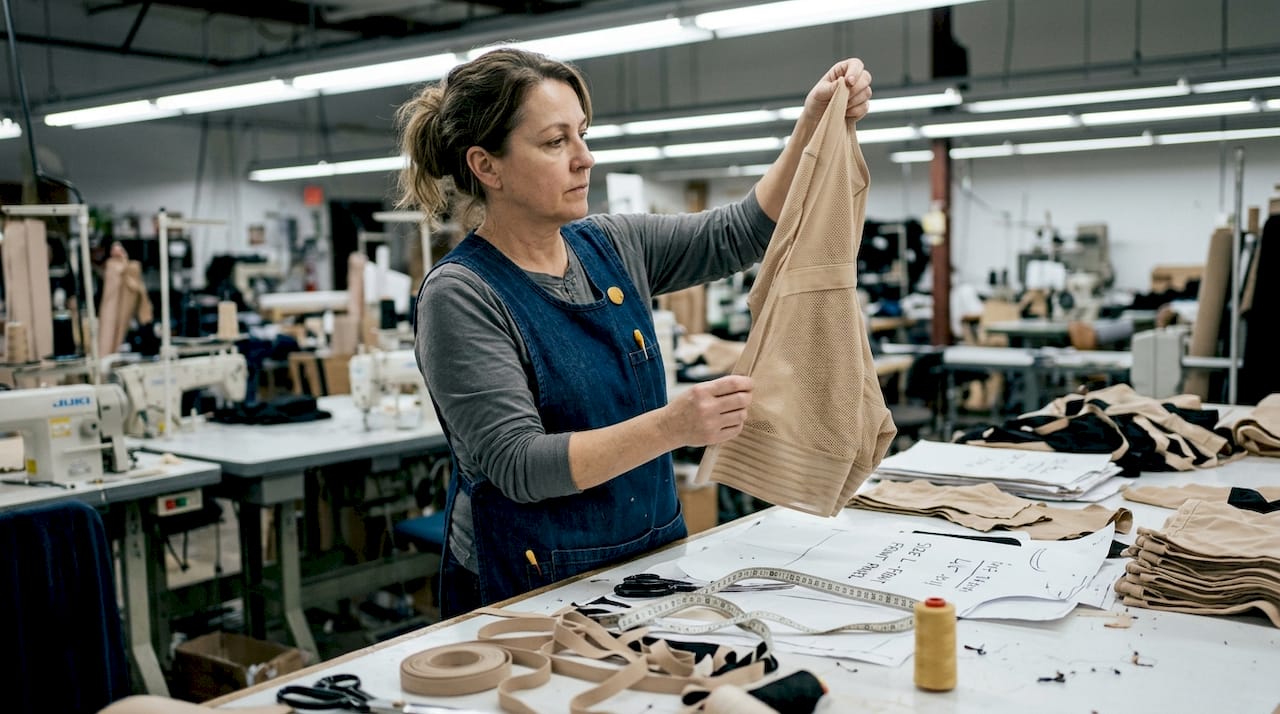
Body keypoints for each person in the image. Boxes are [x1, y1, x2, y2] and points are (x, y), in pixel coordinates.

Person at [398, 47, 873, 617]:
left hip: (649, 560)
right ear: (487, 166)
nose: (585, 158)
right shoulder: (463, 293)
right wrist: (674, 425)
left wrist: (810, 125)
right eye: (555, 142)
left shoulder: (611, 244)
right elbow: (519, 465)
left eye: (582, 134)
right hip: (532, 588)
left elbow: (742, 231)